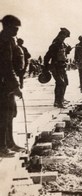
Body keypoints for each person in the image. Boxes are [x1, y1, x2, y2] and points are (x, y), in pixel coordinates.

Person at [0, 15, 25, 155]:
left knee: (10, 114)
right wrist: (15, 86)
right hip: (2, 85)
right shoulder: (3, 42)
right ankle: (2, 147)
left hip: (6, 84)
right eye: (15, 28)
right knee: (3, 116)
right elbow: (6, 67)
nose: (17, 31)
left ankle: (10, 143)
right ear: (7, 27)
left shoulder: (9, 40)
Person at [44, 27, 72, 108]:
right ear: (59, 36)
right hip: (55, 66)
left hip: (62, 66)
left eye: (64, 37)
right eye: (62, 37)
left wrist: (68, 50)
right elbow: (47, 56)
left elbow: (64, 54)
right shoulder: (55, 45)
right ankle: (58, 102)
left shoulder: (63, 44)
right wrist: (45, 68)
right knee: (60, 83)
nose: (63, 38)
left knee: (65, 82)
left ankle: (61, 99)